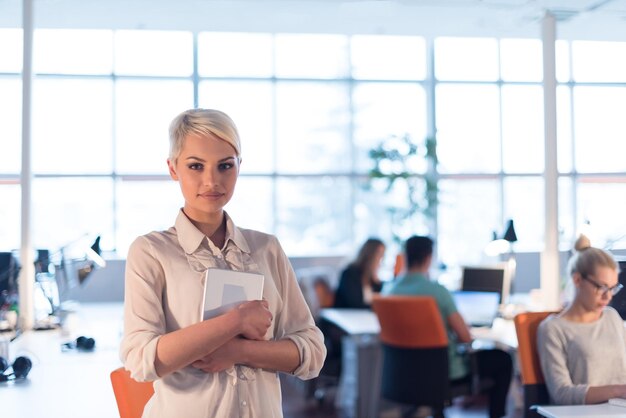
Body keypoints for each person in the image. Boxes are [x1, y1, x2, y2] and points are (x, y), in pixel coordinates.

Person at [120, 108, 326, 418]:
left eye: (225, 165)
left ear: (239, 166)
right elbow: (141, 360)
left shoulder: (266, 249)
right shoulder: (150, 252)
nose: (212, 180)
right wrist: (235, 322)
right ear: (173, 168)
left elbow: (312, 353)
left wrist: (240, 351)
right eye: (195, 166)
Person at [382, 235, 512, 418]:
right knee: (503, 359)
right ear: (428, 258)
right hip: (442, 373)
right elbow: (465, 337)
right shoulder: (437, 292)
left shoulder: (389, 291)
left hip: (402, 375)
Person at [537, 235, 626, 405]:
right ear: (578, 280)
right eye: (601, 287)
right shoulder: (553, 329)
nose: (608, 296)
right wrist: (619, 391)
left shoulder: (611, 316)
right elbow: (562, 394)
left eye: (613, 288)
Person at [333, 238, 385, 309]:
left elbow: (379, 302)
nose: (380, 260)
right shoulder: (349, 274)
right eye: (379, 255)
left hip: (363, 317)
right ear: (370, 254)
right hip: (346, 316)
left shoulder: (373, 279)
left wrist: (377, 283)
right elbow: (354, 303)